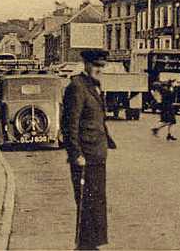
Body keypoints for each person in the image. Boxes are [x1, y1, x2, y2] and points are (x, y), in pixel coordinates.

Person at [61, 49, 116, 250]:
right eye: (96, 65)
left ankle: (92, 244)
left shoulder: (94, 86)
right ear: (86, 64)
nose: (99, 69)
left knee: (97, 201)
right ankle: (83, 246)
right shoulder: (77, 87)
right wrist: (75, 154)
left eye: (102, 66)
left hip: (97, 153)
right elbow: (70, 124)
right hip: (85, 155)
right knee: (86, 201)